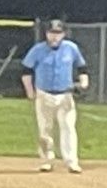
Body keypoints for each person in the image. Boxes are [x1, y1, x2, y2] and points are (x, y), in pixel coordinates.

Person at [21, 18, 89, 173]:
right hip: (43, 94)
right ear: (46, 34)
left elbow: (82, 68)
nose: (54, 36)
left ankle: (71, 162)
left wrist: (84, 83)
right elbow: (26, 71)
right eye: (51, 32)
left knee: (68, 128)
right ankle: (47, 161)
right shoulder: (38, 50)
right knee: (45, 129)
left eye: (58, 33)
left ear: (63, 34)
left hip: (65, 95)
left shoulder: (71, 48)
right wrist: (30, 91)